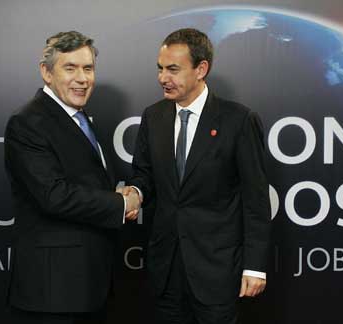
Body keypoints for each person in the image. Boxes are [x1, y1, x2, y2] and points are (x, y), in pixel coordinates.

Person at [125, 28, 271, 324]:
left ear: (201, 69)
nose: (162, 77)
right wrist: (136, 193)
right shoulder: (153, 117)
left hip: (216, 271)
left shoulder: (238, 121)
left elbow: (256, 200)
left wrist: (254, 267)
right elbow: (145, 175)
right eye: (160, 68)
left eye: (173, 69)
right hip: (165, 271)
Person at [4, 31, 140, 323]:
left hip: (90, 287)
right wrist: (119, 205)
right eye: (70, 68)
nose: (82, 78)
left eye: (88, 68)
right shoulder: (28, 122)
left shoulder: (79, 119)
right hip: (54, 294)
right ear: (46, 72)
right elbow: (53, 195)